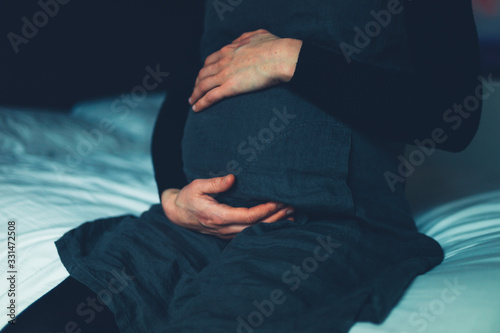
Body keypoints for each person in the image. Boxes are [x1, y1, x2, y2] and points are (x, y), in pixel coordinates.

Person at [2, 0, 482, 332]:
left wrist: (289, 58)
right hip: (189, 226)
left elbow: (453, 114)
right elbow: (186, 92)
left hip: (325, 225)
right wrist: (173, 195)